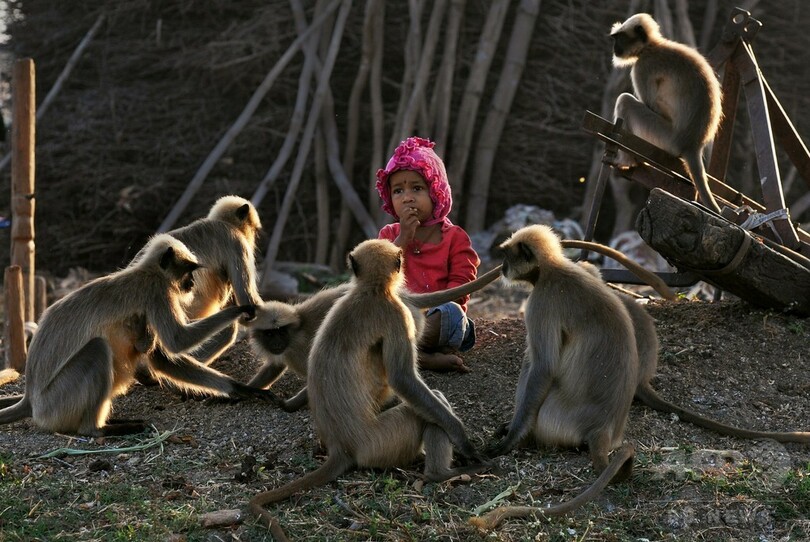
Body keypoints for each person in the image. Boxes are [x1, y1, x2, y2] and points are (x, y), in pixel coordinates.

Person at [376, 136, 480, 373]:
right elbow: (378, 278)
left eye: (417, 188)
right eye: (398, 190)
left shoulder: (455, 238)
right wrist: (403, 239)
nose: (408, 197)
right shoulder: (389, 234)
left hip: (437, 319)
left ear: (436, 192)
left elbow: (461, 289)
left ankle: (404, 354)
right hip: (398, 319)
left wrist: (429, 314)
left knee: (452, 312)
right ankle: (419, 357)